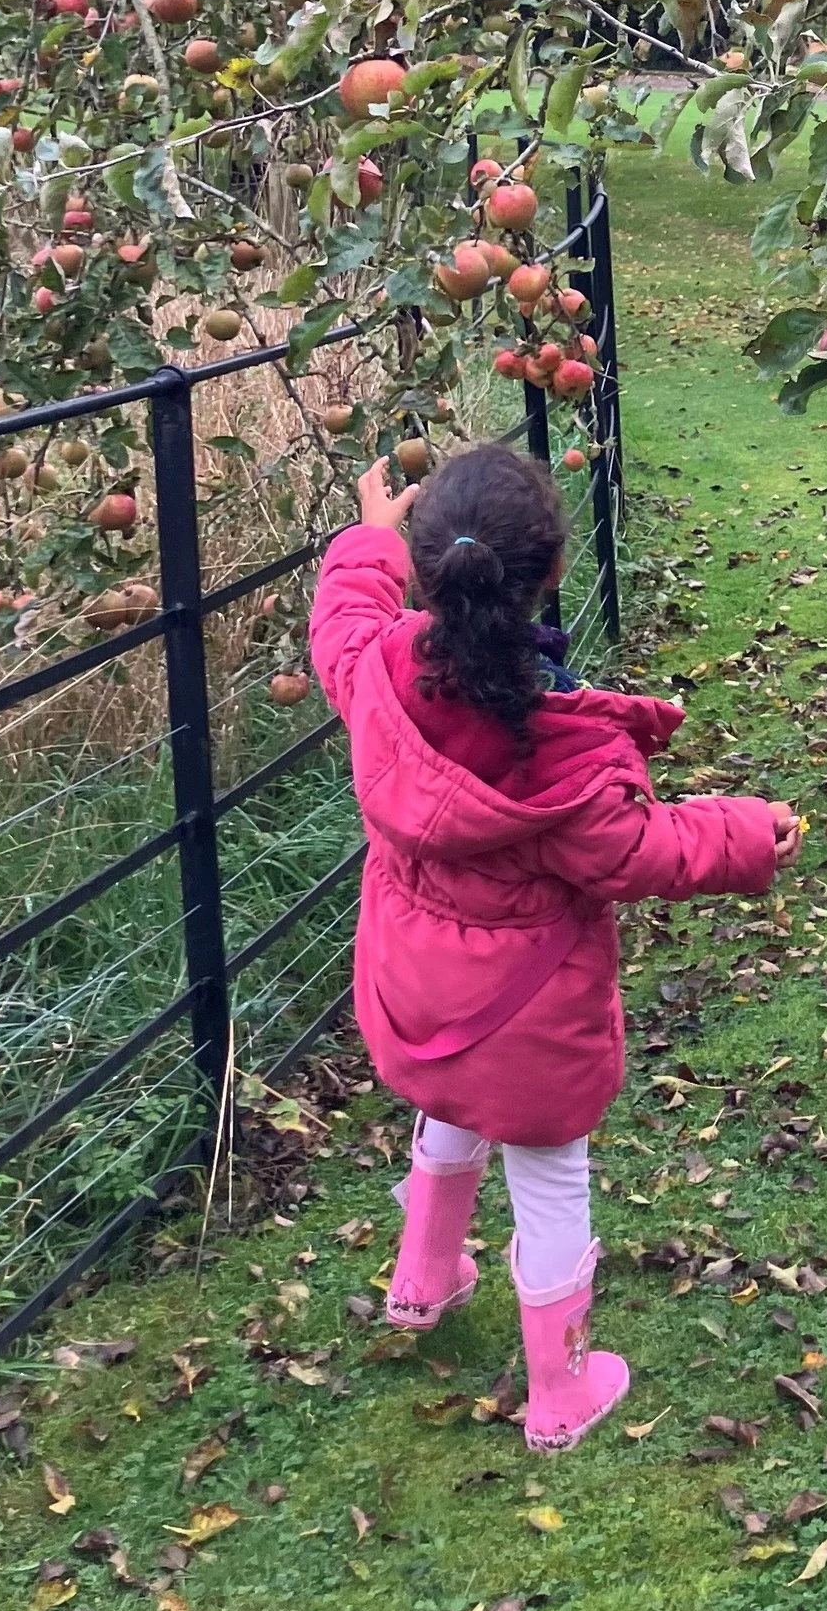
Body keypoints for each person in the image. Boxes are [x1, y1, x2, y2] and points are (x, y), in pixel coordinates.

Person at [309, 439, 799, 1448]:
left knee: (451, 1103)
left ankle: (423, 1278)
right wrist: (746, 832)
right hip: (526, 1017)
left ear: (431, 567)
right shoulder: (568, 749)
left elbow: (343, 614)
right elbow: (638, 851)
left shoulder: (377, 678)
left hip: (416, 988)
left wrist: (370, 533)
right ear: (556, 571)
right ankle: (562, 1392)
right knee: (548, 1177)